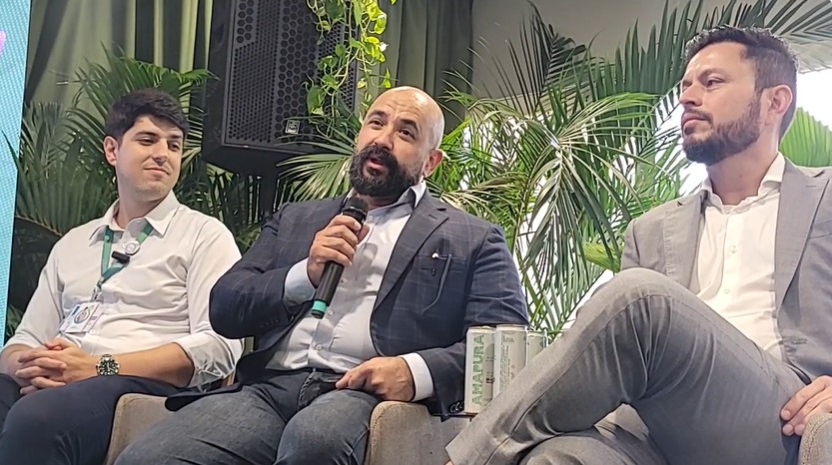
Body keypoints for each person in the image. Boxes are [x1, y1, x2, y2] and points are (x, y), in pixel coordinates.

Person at [445, 25, 832, 465]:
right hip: (658, 430)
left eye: (712, 82)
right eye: (685, 86)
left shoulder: (825, 197)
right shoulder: (650, 230)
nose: (687, 98)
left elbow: (639, 312)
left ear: (774, 102)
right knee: (560, 455)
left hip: (785, 418)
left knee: (640, 298)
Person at [115, 85, 529, 465]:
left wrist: (414, 370)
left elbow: (504, 349)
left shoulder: (472, 237)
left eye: (406, 133)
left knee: (314, 441)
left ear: (431, 162)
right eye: (376, 122)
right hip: (270, 389)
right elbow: (225, 307)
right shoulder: (298, 219)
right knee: (146, 459)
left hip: (360, 395)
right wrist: (305, 274)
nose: (383, 139)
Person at [0, 88, 244, 465]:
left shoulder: (204, 236)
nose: (163, 153)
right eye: (148, 140)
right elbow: (24, 340)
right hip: (61, 380)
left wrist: (97, 366)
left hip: (141, 385)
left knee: (38, 419)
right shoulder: (74, 243)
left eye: (174, 145)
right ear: (112, 150)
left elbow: (220, 347)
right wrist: (35, 366)